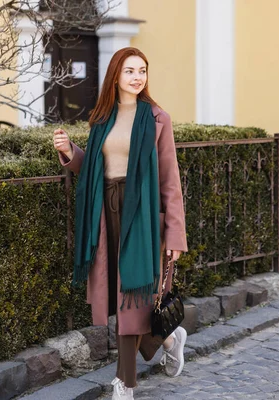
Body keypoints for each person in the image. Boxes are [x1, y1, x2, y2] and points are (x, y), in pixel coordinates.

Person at [53, 47, 188, 400]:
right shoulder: (102, 118)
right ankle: (170, 337)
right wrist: (69, 151)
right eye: (130, 70)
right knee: (117, 298)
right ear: (116, 75)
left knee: (132, 302)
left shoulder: (158, 118)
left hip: (140, 215)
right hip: (104, 212)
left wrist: (174, 234)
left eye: (142, 70)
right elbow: (95, 168)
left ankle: (124, 383)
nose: (137, 77)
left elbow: (170, 181)